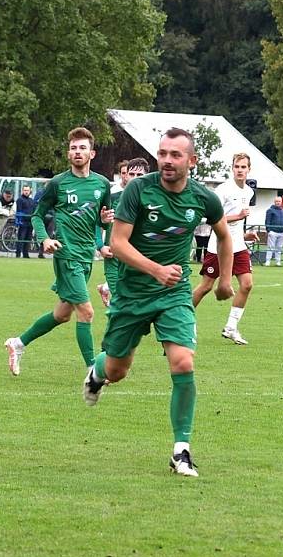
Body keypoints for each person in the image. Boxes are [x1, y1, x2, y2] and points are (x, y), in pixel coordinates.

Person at [83, 127, 234, 478]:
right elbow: (118, 243)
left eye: (175, 155)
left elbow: (224, 235)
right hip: (133, 293)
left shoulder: (204, 198)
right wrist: (155, 270)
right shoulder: (138, 189)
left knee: (183, 362)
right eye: (162, 153)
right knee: (118, 371)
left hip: (174, 294)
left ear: (191, 161)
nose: (166, 160)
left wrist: (224, 280)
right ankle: (97, 371)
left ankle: (181, 449)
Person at [4, 127, 112, 377]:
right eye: (73, 148)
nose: (77, 152)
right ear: (68, 153)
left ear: (92, 153)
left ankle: (17, 343)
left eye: (82, 147)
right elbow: (37, 215)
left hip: (86, 256)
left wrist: (106, 221)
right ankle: (92, 370)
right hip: (66, 255)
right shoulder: (58, 183)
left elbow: (103, 221)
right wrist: (44, 239)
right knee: (86, 311)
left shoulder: (102, 184)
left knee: (62, 314)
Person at [192, 152, 254, 345]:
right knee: (206, 287)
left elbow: (237, 224)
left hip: (238, 245)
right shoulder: (223, 190)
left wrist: (244, 235)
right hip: (217, 245)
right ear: (232, 168)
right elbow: (213, 219)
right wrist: (238, 216)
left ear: (249, 169)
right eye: (237, 166)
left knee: (247, 284)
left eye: (244, 167)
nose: (240, 170)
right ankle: (181, 321)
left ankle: (231, 327)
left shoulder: (249, 192)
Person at [96, 157, 148, 306]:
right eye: (131, 174)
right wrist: (100, 246)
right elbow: (97, 223)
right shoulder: (112, 198)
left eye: (140, 175)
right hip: (114, 258)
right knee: (121, 302)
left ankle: (105, 288)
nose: (134, 178)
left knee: (133, 305)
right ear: (125, 175)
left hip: (138, 260)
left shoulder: (153, 203)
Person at [14, 185, 37, 258]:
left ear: (30, 191)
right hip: (23, 222)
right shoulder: (20, 200)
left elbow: (34, 210)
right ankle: (18, 254)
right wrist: (20, 220)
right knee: (21, 238)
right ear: (22, 191)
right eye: (25, 190)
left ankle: (26, 253)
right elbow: (19, 211)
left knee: (28, 238)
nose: (26, 192)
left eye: (27, 190)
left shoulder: (31, 200)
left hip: (30, 222)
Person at [264, 196, 283, 266]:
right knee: (270, 247)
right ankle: (268, 261)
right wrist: (269, 230)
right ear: (274, 202)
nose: (278, 203)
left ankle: (278, 261)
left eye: (279, 201)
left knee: (279, 247)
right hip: (273, 231)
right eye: (277, 201)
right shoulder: (270, 210)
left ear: (281, 202)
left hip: (282, 232)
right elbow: (267, 221)